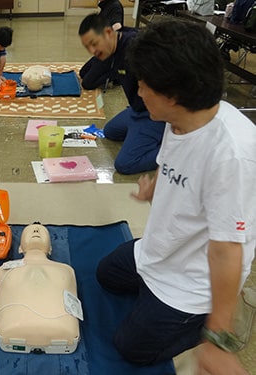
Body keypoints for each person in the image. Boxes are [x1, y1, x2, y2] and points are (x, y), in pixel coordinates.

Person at [96, 19, 255, 375]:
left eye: (144, 84)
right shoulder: (175, 120)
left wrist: (219, 335)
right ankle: (159, 307)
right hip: (159, 250)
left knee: (130, 347)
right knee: (105, 275)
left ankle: (201, 325)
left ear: (174, 94)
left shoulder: (232, 154)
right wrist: (157, 189)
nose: (137, 90)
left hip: (193, 280)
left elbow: (229, 249)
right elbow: (179, 172)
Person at [78, 14, 165, 175]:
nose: (92, 51)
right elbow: (88, 79)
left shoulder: (138, 48)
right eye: (87, 47)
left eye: (94, 44)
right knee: (110, 131)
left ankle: (173, 148)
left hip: (155, 114)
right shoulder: (112, 49)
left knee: (125, 164)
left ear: (108, 33)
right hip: (136, 108)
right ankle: (142, 132)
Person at [0, 223, 79, 353]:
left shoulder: (65, 270)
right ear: (20, 248)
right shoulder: (6, 269)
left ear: (50, 249)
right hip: (13, 328)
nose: (35, 229)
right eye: (30, 230)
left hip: (61, 330)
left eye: (41, 231)